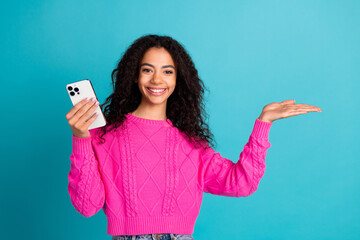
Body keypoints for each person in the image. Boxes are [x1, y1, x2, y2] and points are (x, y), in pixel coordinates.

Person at [65, 34, 322, 240]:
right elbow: (87, 206)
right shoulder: (103, 135)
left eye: (168, 71)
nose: (157, 79)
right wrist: (80, 137)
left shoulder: (192, 144)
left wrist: (263, 123)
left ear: (178, 78)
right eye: (147, 70)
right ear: (134, 74)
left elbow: (241, 183)